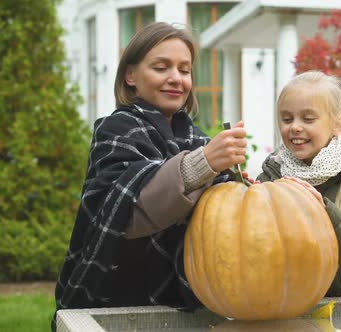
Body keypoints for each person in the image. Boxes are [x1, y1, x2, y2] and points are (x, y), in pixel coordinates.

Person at [52, 22, 247, 329]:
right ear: (131, 76)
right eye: (161, 67)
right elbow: (129, 216)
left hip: (187, 302)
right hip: (118, 298)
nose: (176, 78)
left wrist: (242, 190)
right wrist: (203, 165)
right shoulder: (115, 130)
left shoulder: (197, 140)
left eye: (184, 69)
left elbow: (218, 224)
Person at [257, 71, 341, 296]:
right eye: (287, 119)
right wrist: (244, 198)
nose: (295, 127)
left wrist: (326, 212)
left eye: (308, 119)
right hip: (281, 304)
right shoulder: (269, 180)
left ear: (337, 125)